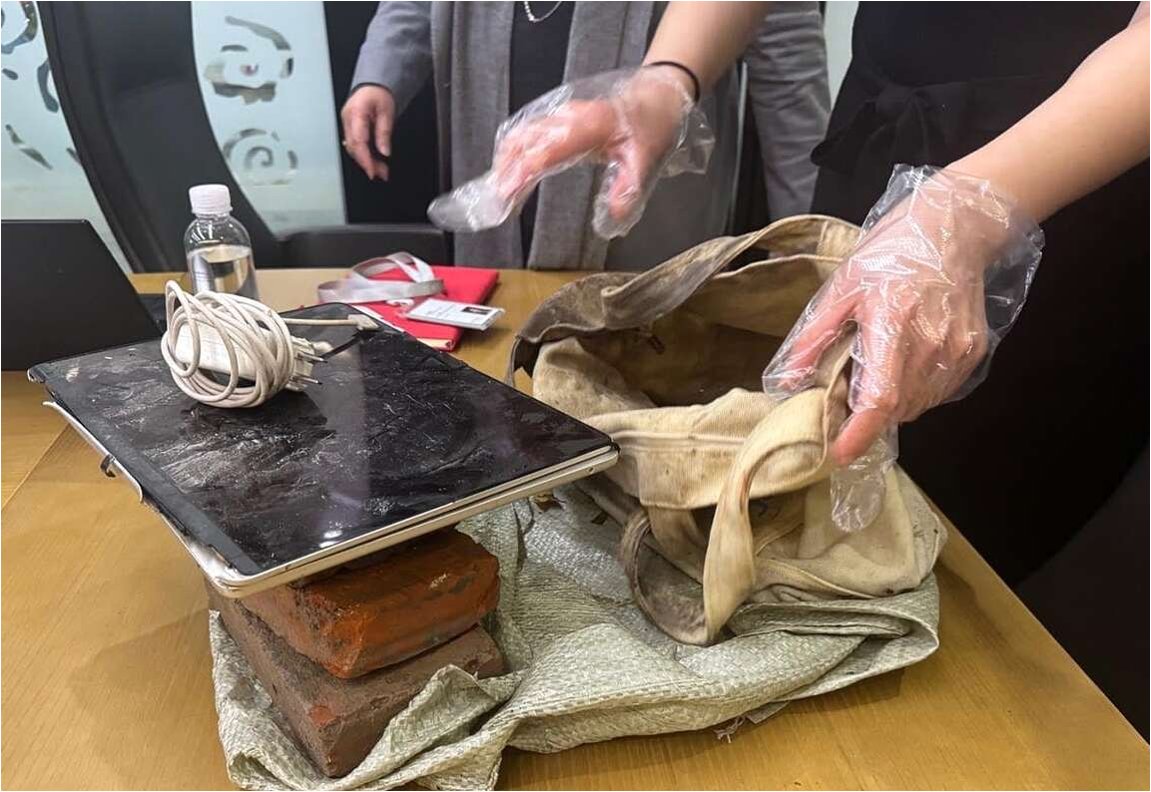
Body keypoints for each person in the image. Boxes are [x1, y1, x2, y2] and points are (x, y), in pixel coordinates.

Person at [437, 0, 1149, 586]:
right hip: (878, 143)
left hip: (1074, 173)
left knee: (974, 563)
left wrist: (970, 207)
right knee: (802, 478)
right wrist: (668, 76)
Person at [340, 1, 831, 271]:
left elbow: (792, 88)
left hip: (642, 225)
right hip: (493, 207)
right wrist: (380, 74)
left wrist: (814, 256)